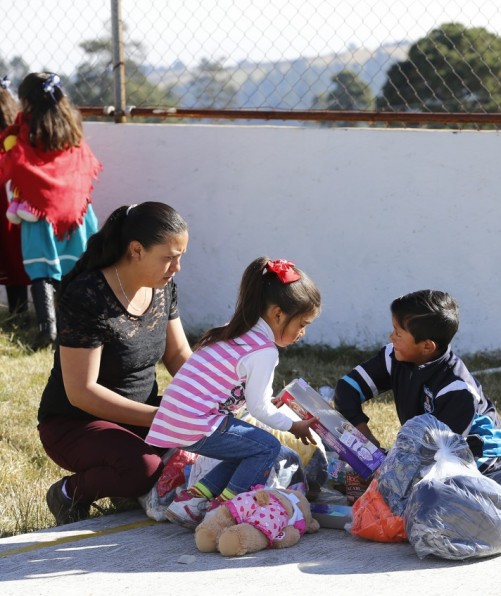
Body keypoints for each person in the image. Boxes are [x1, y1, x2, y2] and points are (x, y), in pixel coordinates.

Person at [37, 202, 192, 525]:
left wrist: (213, 398)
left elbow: (178, 356)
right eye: (169, 257)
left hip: (140, 418)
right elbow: (82, 391)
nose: (177, 267)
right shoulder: (88, 295)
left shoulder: (163, 288)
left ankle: (127, 487)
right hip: (75, 423)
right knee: (144, 469)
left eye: (180, 257)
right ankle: (68, 493)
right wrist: (160, 417)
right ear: (136, 250)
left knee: (210, 442)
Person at [146, 257, 321, 529]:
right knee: (269, 448)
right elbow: (259, 409)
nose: (303, 333)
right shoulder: (264, 351)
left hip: (176, 420)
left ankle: (191, 501)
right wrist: (293, 425)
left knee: (248, 451)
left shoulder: (235, 333)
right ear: (278, 314)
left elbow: (240, 392)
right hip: (198, 423)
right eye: (302, 324)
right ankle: (226, 511)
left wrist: (268, 402)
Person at [334, 289, 501, 473]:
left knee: (428, 494)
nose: (391, 337)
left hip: (476, 454)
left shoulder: (457, 389)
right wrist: (363, 436)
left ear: (427, 346)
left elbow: (440, 457)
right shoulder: (394, 356)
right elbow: (347, 389)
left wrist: (388, 470)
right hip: (431, 448)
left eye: (398, 333)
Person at [0, 72, 101, 349]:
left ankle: (48, 329)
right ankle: (74, 327)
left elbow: (15, 162)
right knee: (75, 267)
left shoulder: (27, 130)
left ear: (27, 101)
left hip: (39, 210)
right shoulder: (72, 126)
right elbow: (81, 162)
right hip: (76, 210)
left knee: (42, 269)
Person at [0, 75, 30, 323]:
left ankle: (19, 315)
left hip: (10, 210)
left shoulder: (12, 142)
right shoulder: (18, 138)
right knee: (14, 262)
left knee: (12, 261)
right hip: (14, 212)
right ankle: (18, 314)